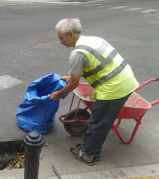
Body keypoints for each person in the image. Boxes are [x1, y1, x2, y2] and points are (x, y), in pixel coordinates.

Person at [50, 18, 138, 166]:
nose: (60, 42)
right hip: (126, 80)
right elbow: (98, 64)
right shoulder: (95, 40)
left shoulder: (77, 53)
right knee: (104, 121)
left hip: (114, 87)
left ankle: (88, 154)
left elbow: (74, 84)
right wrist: (71, 76)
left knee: (97, 122)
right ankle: (94, 148)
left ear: (71, 34)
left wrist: (58, 94)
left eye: (61, 37)